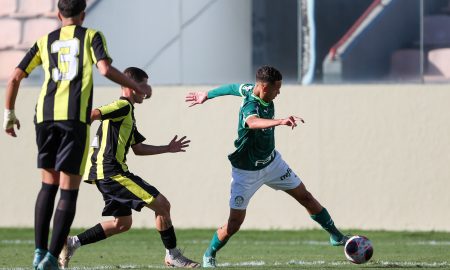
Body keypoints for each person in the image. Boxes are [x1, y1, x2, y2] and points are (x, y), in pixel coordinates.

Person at [3, 1, 152, 269]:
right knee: (68, 189)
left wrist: (9, 114)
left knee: (47, 184)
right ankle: (50, 257)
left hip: (44, 117)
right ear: (83, 14)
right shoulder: (91, 36)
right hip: (73, 119)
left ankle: (39, 252)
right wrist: (135, 86)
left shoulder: (44, 41)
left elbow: (14, 77)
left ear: (59, 14)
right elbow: (105, 70)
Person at [185, 65, 348, 268]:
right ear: (263, 87)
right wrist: (279, 121)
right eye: (276, 89)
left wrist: (207, 95)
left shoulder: (250, 89)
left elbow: (233, 87)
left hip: (273, 163)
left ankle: (336, 236)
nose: (278, 93)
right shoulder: (250, 106)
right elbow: (252, 122)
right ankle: (209, 254)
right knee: (234, 223)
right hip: (246, 172)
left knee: (305, 196)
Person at [58, 67, 200, 269]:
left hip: (105, 172)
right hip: (111, 171)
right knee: (163, 205)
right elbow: (92, 114)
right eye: (143, 85)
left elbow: (138, 149)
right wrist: (73, 141)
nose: (145, 90)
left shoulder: (128, 113)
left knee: (122, 223)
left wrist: (167, 148)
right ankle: (173, 255)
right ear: (129, 85)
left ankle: (73, 243)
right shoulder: (122, 106)